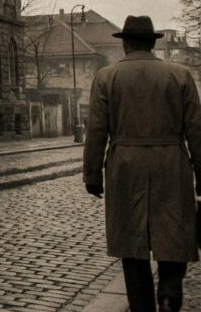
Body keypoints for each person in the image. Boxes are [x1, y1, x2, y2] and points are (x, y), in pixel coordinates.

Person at [83, 16, 201, 312]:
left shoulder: (107, 77)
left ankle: (141, 306)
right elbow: (196, 130)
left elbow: (96, 130)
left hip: (125, 166)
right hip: (171, 163)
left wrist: (93, 175)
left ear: (124, 44)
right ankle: (170, 290)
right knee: (174, 232)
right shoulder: (181, 75)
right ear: (152, 43)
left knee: (131, 243)